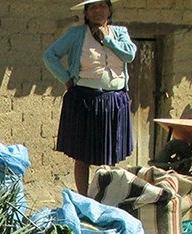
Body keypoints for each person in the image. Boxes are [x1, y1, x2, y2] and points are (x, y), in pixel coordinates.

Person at [43, 0, 136, 196]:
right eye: (92, 7)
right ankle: (84, 198)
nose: (98, 11)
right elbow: (50, 55)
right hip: (85, 100)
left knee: (111, 155)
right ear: (85, 12)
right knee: (81, 154)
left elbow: (129, 56)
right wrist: (67, 79)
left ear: (110, 10)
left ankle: (107, 196)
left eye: (102, 6)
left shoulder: (119, 33)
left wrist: (107, 40)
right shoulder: (76, 34)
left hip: (114, 100)